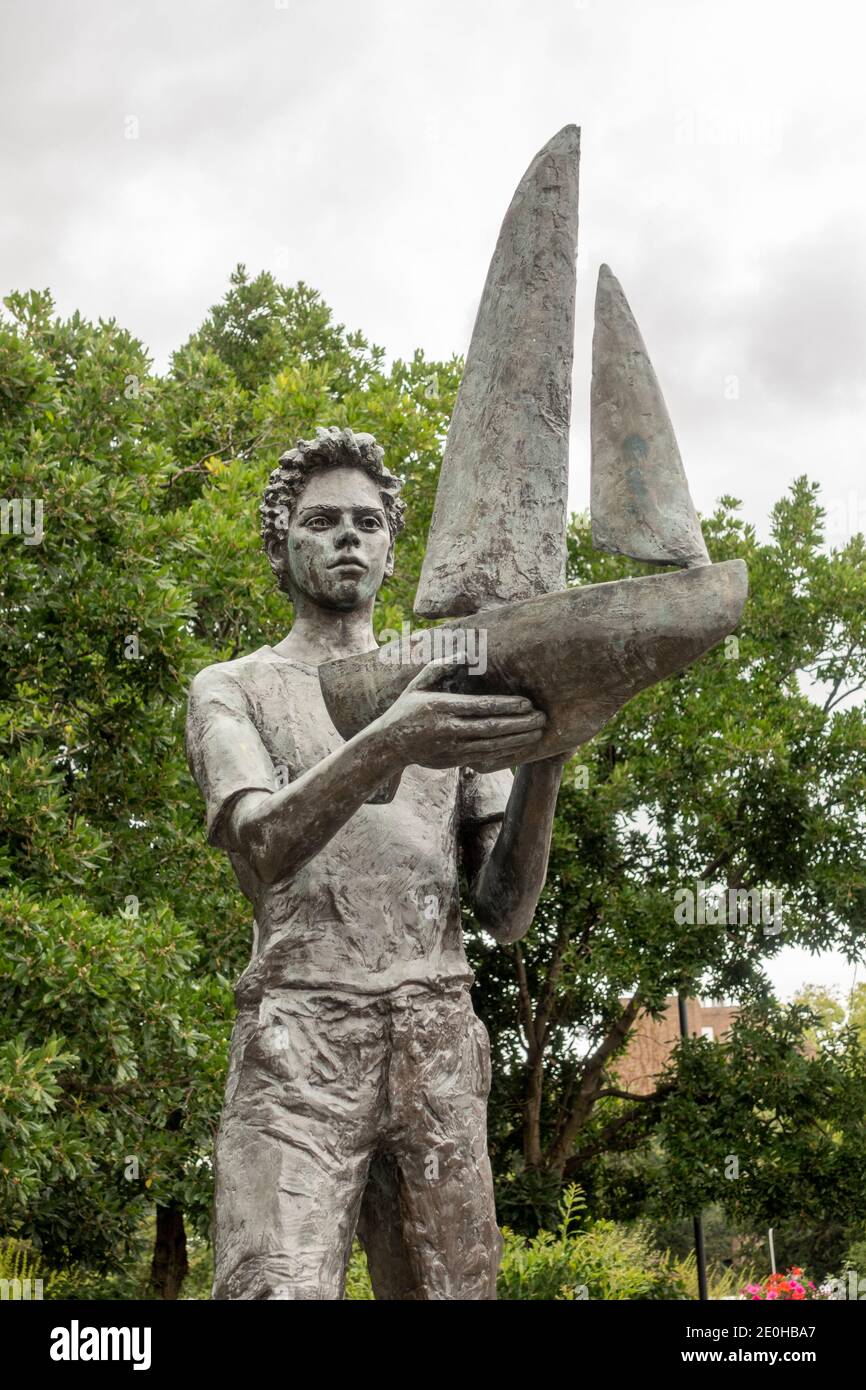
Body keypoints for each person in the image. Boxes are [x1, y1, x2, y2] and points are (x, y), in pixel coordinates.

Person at [186, 425, 567, 1299]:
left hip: (436, 1037)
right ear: (281, 545)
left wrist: (553, 747)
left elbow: (505, 911)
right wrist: (391, 738)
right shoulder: (233, 687)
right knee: (271, 1289)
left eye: (367, 521)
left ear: (392, 548)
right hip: (301, 1042)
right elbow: (264, 847)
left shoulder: (453, 684)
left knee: (456, 1292)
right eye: (322, 522)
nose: (348, 536)